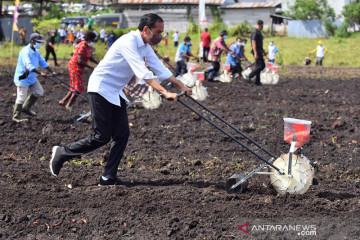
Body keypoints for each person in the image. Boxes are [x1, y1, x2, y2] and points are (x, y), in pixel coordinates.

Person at [49, 13, 192, 186]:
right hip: (100, 87)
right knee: (101, 136)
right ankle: (63, 153)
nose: (160, 36)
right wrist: (165, 92)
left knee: (122, 134)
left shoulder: (145, 46)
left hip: (115, 91)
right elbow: (143, 73)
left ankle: (108, 177)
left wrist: (181, 86)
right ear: (146, 30)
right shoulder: (128, 42)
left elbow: (160, 69)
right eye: (158, 32)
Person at [12, 33, 56, 122]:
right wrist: (41, 73)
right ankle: (16, 117)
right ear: (32, 41)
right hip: (23, 78)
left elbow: (42, 62)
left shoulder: (36, 51)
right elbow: (29, 66)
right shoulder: (25, 51)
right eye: (38, 42)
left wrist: (51, 71)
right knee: (21, 97)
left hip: (31, 77)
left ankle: (26, 107)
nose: (39, 44)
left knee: (39, 92)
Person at [59, 31, 99, 109]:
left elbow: (89, 57)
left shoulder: (88, 46)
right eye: (93, 40)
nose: (94, 42)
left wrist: (98, 63)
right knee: (79, 88)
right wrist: (91, 68)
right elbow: (79, 61)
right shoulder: (82, 46)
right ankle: (68, 105)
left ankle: (63, 101)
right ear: (89, 40)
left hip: (78, 67)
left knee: (74, 86)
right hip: (75, 67)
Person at [247, 20, 265, 86]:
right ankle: (249, 76)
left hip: (259, 51)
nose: (263, 27)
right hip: (256, 51)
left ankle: (257, 81)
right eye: (262, 25)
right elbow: (253, 42)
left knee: (258, 66)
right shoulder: (255, 32)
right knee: (262, 65)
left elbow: (259, 43)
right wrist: (255, 53)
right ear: (260, 25)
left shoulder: (258, 32)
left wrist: (263, 51)